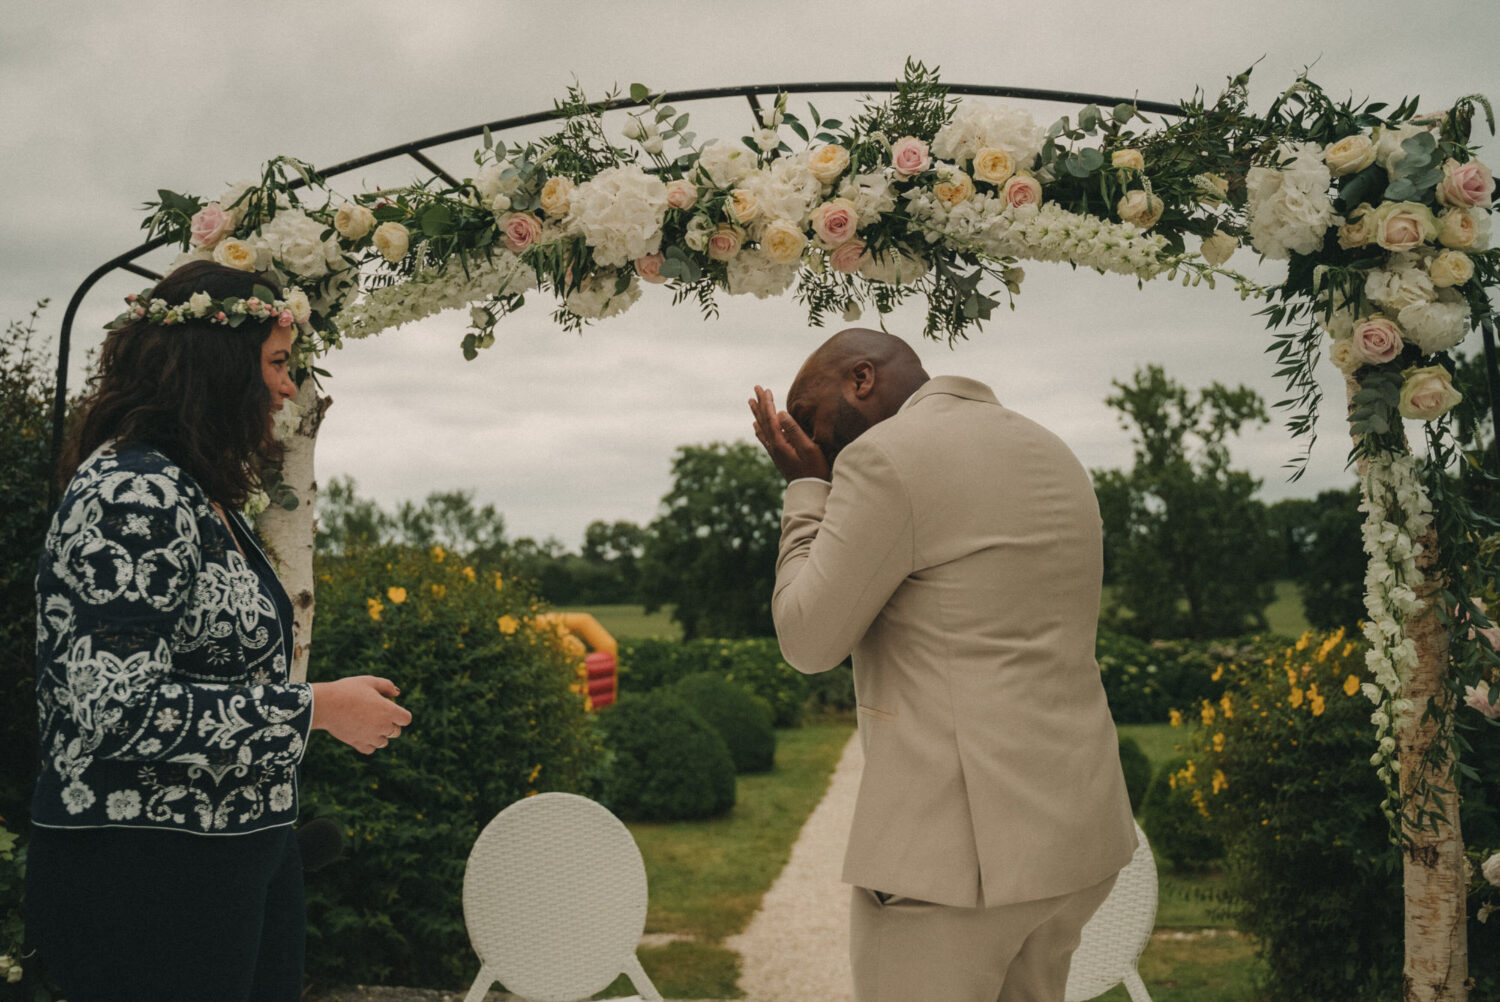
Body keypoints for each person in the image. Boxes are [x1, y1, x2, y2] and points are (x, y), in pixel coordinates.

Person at [25, 260, 412, 1001]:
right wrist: (318, 709)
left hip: (228, 866)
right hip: (145, 882)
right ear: (217, 368)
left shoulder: (197, 494)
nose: (288, 385)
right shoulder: (133, 494)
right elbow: (114, 704)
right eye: (274, 363)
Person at [749, 328, 1136, 1002]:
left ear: (861, 380)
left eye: (807, 418)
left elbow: (808, 641)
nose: (812, 447)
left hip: (957, 868)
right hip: (1076, 844)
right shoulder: (1050, 449)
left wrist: (807, 491)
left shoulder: (883, 458)